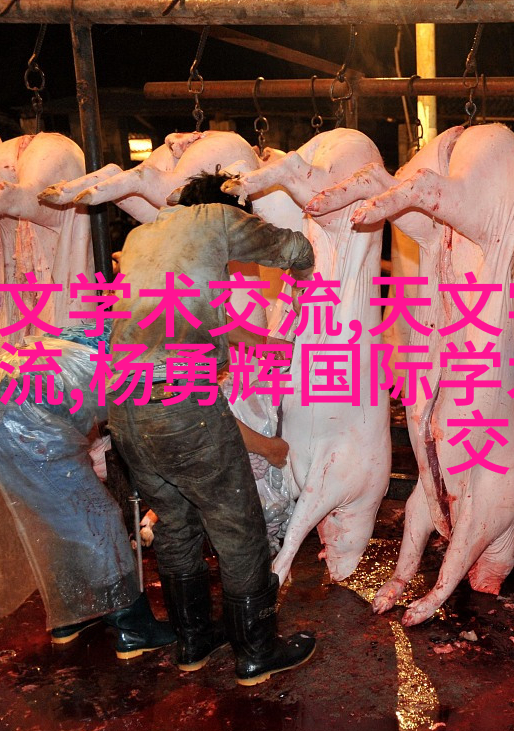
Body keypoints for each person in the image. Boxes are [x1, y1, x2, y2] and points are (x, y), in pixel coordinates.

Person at [107, 171, 317, 686]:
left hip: (125, 406)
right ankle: (257, 652)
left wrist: (263, 343)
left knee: (176, 525)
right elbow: (293, 248)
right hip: (182, 404)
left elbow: (189, 320)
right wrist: (304, 272)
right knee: (238, 527)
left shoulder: (142, 238)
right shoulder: (218, 218)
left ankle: (193, 642)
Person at [0, 324, 177, 658]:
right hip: (19, 426)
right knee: (99, 518)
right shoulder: (140, 358)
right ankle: (132, 627)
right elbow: (146, 427)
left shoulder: (94, 333)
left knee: (58, 519)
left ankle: (72, 614)